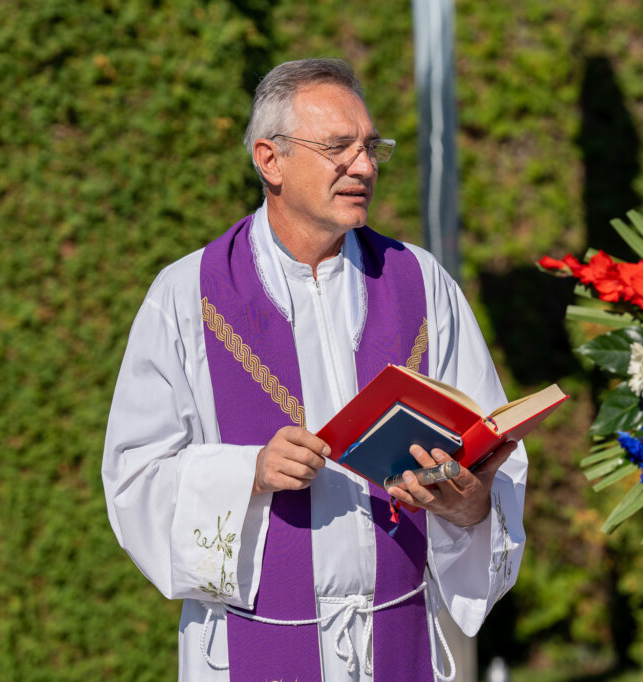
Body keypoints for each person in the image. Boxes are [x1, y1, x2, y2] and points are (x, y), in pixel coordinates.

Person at [102, 58, 527, 682]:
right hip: (257, 646)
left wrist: (470, 507)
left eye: (371, 147)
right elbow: (135, 476)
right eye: (338, 147)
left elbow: (489, 444)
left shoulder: (420, 283)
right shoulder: (187, 295)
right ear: (269, 160)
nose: (364, 166)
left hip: (396, 637)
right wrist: (248, 472)